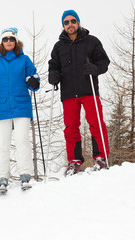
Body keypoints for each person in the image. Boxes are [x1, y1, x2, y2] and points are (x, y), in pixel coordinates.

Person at [48, 10, 110, 176]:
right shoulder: (58, 46)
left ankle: (101, 158)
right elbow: (54, 65)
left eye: (73, 21)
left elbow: (104, 61)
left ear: (78, 22)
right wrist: (53, 75)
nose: (70, 24)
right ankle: (74, 161)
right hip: (68, 93)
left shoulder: (91, 41)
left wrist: (95, 69)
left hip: (88, 89)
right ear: (63, 25)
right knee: (71, 128)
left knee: (96, 123)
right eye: (66, 22)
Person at [0, 27, 40, 191]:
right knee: (2, 143)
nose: (8, 42)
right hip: (1, 106)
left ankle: (25, 175)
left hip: (21, 105)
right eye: (5, 39)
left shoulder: (24, 59)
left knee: (22, 140)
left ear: (16, 41)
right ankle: (1, 177)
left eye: (11, 39)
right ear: (2, 42)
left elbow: (32, 76)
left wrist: (34, 81)